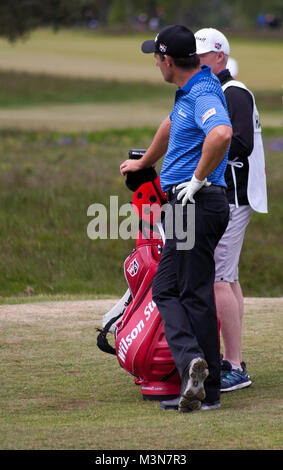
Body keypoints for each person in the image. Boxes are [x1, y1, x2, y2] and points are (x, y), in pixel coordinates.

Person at [120, 24, 232, 412]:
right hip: (188, 206)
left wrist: (198, 180)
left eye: (157, 57)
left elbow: (220, 134)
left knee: (194, 293)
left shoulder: (201, 92)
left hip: (197, 205)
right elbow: (171, 128)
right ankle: (193, 369)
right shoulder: (190, 93)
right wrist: (144, 162)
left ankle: (209, 389)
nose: (156, 63)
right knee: (168, 288)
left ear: (168, 60)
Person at [194, 28, 268, 392]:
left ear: (220, 57)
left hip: (234, 196)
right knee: (230, 277)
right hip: (236, 195)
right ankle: (233, 360)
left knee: (220, 278)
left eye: (202, 55)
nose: (196, 61)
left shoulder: (232, 91)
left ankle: (235, 365)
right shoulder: (223, 91)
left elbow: (238, 143)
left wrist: (199, 160)